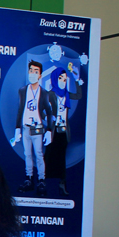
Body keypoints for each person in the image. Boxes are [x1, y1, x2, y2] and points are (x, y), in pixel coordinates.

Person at [13, 59, 57, 196]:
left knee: (38, 154)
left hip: (37, 128)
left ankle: (42, 180)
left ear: (40, 75)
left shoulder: (44, 93)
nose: (32, 73)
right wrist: (17, 129)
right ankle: (29, 179)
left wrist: (49, 130)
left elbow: (49, 113)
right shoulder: (23, 90)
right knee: (27, 154)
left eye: (35, 71)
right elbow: (20, 109)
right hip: (25, 127)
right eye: (31, 70)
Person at [45, 64, 82, 197]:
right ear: (55, 79)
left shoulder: (66, 94)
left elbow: (78, 95)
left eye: (65, 79)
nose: (63, 81)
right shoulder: (50, 94)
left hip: (64, 131)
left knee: (61, 158)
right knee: (49, 156)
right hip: (53, 130)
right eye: (60, 78)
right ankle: (43, 184)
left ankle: (62, 184)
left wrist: (77, 79)